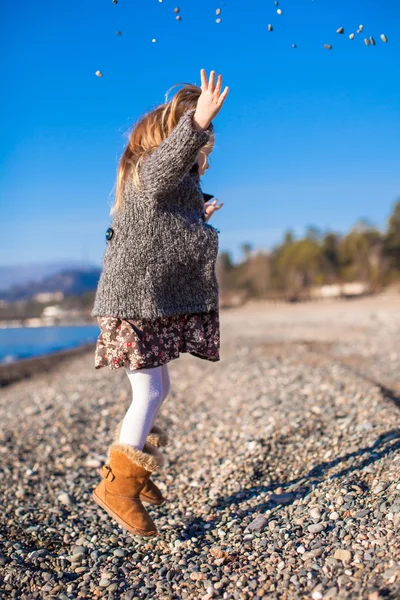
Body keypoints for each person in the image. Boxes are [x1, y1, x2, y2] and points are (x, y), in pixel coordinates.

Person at [91, 69, 229, 537]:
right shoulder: (149, 172)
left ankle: (134, 470)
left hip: (142, 302)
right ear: (167, 142)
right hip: (134, 303)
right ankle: (118, 487)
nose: (199, 162)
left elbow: (167, 214)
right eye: (195, 153)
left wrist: (197, 211)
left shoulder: (156, 187)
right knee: (148, 391)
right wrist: (198, 122)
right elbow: (166, 171)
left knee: (156, 388)